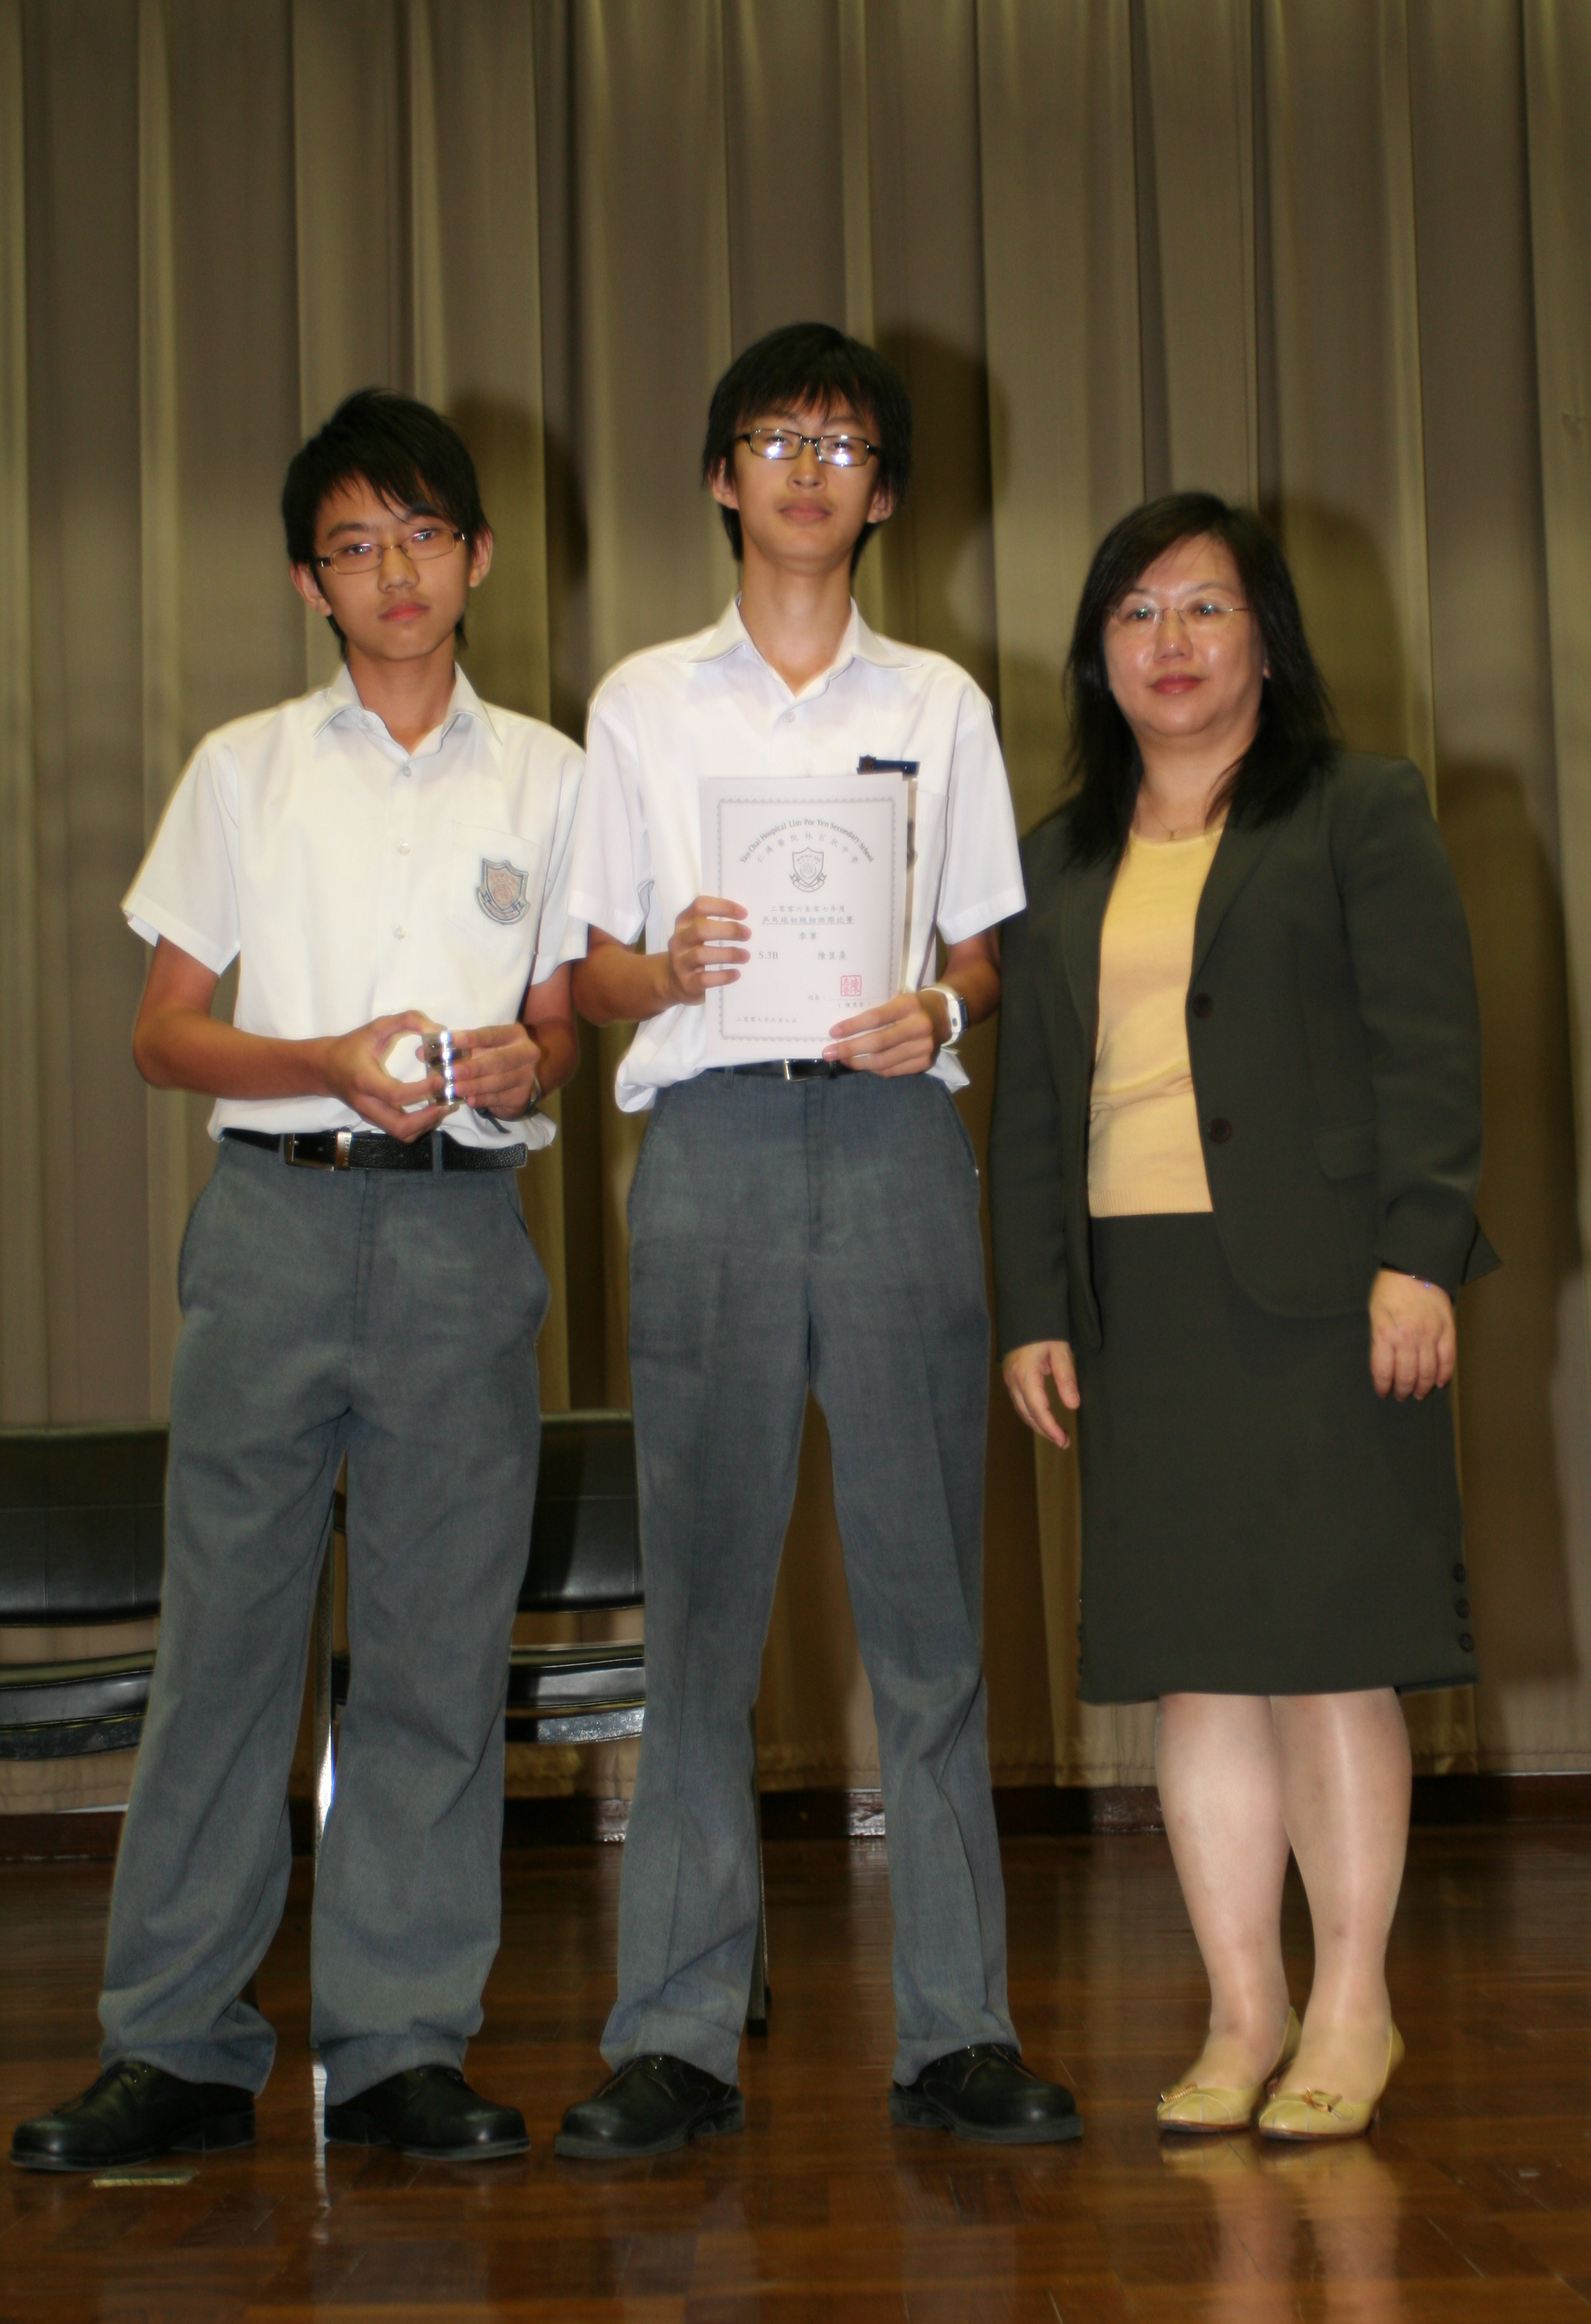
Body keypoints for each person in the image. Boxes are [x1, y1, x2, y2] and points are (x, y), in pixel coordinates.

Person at [11, 390, 584, 2173]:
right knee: (226, 1647)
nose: (393, 572)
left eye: (422, 536)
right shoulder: (243, 767)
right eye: (353, 545)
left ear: (478, 556)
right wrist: (321, 1060)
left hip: (462, 1236)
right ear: (305, 583)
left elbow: (563, 1022)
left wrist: (528, 1061)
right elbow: (163, 1033)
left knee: (433, 1652)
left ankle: (401, 2043)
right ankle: (174, 2045)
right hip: (272, 1226)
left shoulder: (554, 774)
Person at [554, 322, 1080, 2159]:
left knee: (928, 1601)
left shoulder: (939, 704)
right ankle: (675, 2033)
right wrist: (662, 968)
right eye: (774, 438)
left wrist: (937, 1009)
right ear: (721, 476)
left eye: (841, 444)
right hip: (705, 1142)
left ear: (885, 494)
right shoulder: (642, 704)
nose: (805, 468)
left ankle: (959, 2029)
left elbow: (985, 953)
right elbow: (585, 974)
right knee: (699, 1606)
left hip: (888, 1146)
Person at [990, 490, 1496, 2143]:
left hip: (1328, 1291)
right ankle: (1241, 2008)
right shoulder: (1058, 855)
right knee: (1194, 1670)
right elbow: (1029, 1105)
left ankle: (1351, 2006)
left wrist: (1421, 1254)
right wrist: (1032, 1304)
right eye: (1135, 612)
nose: (1172, 642)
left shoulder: (1360, 807)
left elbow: (1431, 1049)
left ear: (1266, 637)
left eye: (1205, 607)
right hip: (1138, 1300)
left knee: (1329, 1657)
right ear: (1098, 653)